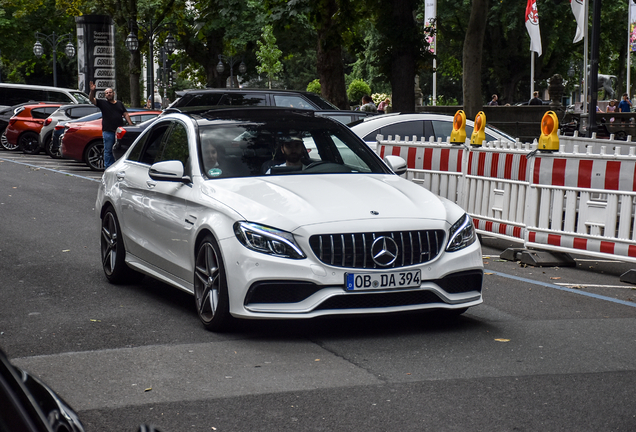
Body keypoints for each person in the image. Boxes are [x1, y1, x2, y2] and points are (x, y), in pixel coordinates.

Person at [89, 81, 133, 169]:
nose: (108, 94)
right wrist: (92, 91)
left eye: (110, 92)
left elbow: (125, 114)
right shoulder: (102, 103)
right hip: (108, 132)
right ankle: (108, 168)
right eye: (107, 93)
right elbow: (91, 99)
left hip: (119, 132)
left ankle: (116, 167)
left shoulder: (119, 104)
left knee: (118, 150)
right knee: (108, 150)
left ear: (113, 93)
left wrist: (131, 125)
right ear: (105, 95)